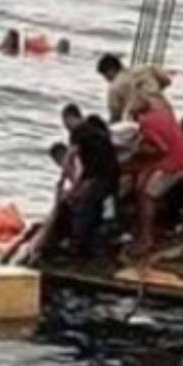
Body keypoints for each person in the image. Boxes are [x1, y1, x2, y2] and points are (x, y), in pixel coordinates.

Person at [129, 97, 183, 256]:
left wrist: (138, 151)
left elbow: (161, 149)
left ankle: (147, 239)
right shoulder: (163, 113)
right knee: (143, 185)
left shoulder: (145, 123)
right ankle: (150, 228)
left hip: (173, 164)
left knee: (146, 195)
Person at [55, 104, 120, 256]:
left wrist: (63, 182)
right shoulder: (95, 124)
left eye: (65, 123)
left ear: (69, 118)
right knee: (97, 209)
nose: (66, 127)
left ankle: (78, 245)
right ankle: (96, 247)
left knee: (84, 208)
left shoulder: (78, 132)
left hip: (97, 176)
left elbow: (69, 158)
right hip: (113, 172)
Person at [96, 53, 173, 123]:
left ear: (111, 70)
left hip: (144, 121)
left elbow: (115, 116)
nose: (106, 79)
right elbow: (167, 81)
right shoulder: (145, 68)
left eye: (105, 75)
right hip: (165, 111)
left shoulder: (114, 87)